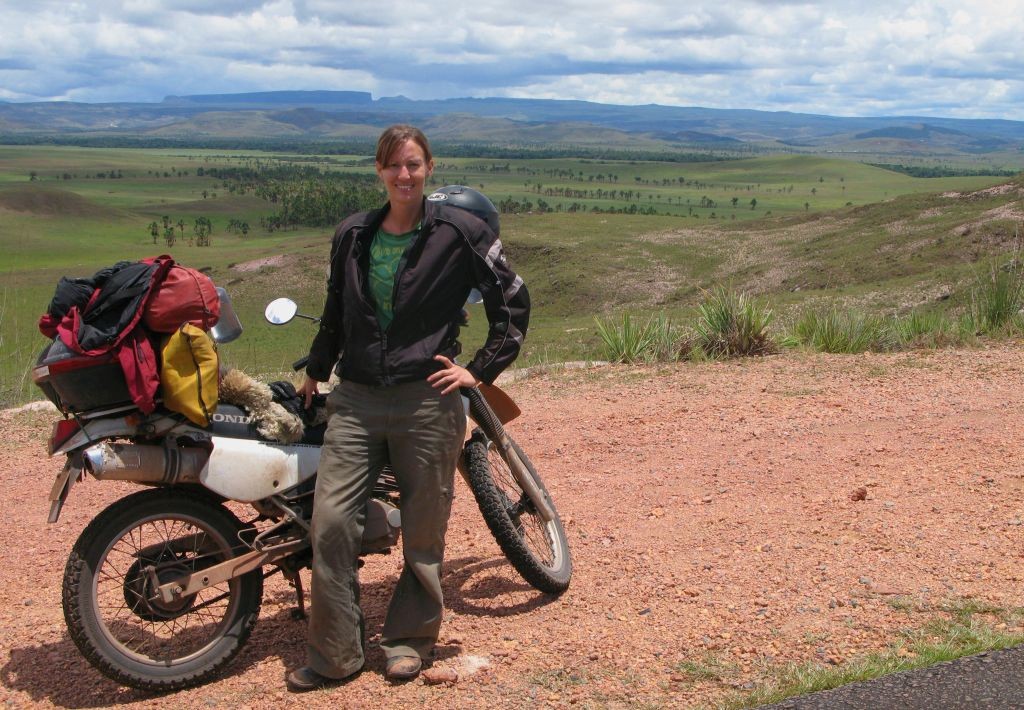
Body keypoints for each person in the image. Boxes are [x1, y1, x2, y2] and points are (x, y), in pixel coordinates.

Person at [286, 125, 530, 691]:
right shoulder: (352, 234)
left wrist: (480, 369)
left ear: (429, 168)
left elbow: (512, 300)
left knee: (424, 529)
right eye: (394, 166)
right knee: (330, 525)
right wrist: (318, 369)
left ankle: (407, 643)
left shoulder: (459, 231)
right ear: (379, 170)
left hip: (428, 399)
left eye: (414, 165)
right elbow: (335, 308)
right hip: (357, 398)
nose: (404, 175)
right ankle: (335, 655)